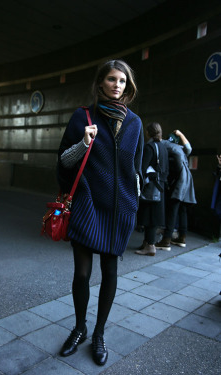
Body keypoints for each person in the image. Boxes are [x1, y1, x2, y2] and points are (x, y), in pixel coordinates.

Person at [57, 60, 144, 366]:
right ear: (100, 83)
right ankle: (79, 328)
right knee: (82, 273)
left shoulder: (135, 123)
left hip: (119, 209)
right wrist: (84, 142)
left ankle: (98, 334)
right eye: (111, 79)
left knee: (110, 273)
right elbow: (65, 162)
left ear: (127, 86)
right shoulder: (83, 116)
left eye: (122, 81)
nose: (117, 85)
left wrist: (135, 197)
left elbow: (136, 169)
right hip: (87, 204)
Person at [156, 130, 197, 250]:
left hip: (179, 180)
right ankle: (182, 238)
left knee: (172, 210)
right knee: (182, 209)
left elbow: (155, 142)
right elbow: (189, 148)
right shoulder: (181, 149)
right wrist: (180, 134)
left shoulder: (166, 144)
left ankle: (166, 240)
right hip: (188, 180)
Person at [135, 122, 169, 256]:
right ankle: (147, 243)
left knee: (149, 217)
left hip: (150, 188)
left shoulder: (150, 147)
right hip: (160, 187)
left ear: (148, 133)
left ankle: (150, 245)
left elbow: (143, 168)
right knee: (153, 217)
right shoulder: (163, 147)